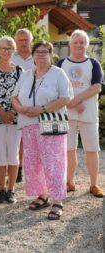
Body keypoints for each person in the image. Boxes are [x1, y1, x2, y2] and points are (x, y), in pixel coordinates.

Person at [11, 41, 71, 220]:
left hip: (50, 123)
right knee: (34, 162)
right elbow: (14, 96)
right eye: (37, 52)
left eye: (45, 52)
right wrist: (21, 109)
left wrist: (42, 109)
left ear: (51, 54)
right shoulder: (27, 74)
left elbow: (65, 98)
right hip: (29, 124)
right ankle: (43, 194)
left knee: (54, 162)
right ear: (33, 55)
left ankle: (58, 200)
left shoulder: (58, 74)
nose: (41, 55)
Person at [58, 29, 104, 198]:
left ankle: (94, 184)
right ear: (70, 44)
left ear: (87, 45)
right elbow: (57, 87)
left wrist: (76, 100)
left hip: (89, 114)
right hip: (66, 115)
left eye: (82, 42)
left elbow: (97, 86)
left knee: (91, 150)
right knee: (68, 150)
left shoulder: (93, 63)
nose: (78, 45)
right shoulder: (62, 63)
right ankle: (69, 182)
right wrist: (71, 103)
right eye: (75, 42)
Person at [0, 36, 23, 204]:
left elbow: (23, 95)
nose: (6, 51)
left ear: (13, 50)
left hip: (15, 119)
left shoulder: (20, 71)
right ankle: (1, 189)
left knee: (14, 155)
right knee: (0, 154)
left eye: (9, 48)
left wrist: (13, 113)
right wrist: (2, 113)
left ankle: (11, 190)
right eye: (3, 48)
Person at [12, 28, 35, 183]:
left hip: (36, 104)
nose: (23, 43)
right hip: (17, 103)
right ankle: (18, 169)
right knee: (18, 140)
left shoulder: (38, 56)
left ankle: (34, 171)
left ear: (30, 40)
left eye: (26, 39)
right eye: (20, 40)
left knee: (35, 139)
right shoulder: (12, 57)